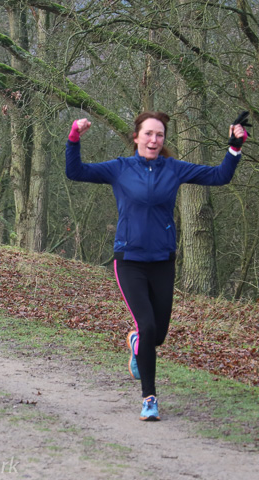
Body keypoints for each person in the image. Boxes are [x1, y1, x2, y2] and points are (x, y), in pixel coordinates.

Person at [65, 111, 247, 421]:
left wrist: (234, 147)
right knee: (147, 325)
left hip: (163, 261)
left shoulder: (173, 169)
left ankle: (136, 342)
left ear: (163, 141)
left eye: (159, 135)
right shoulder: (119, 169)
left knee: (157, 335)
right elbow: (75, 171)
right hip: (130, 261)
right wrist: (74, 138)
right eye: (148, 134)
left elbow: (219, 176)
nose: (154, 140)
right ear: (136, 137)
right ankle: (149, 398)